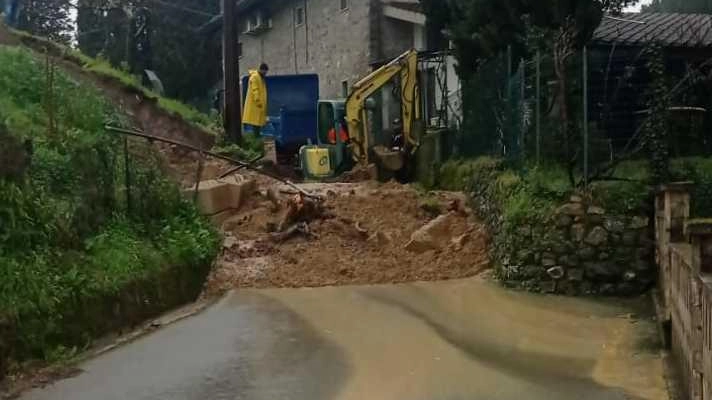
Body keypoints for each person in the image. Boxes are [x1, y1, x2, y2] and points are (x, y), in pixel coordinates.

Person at [242, 63, 269, 136]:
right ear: (262, 70)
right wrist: (258, 101)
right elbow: (255, 90)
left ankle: (256, 137)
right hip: (255, 105)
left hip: (258, 105)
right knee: (256, 123)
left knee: (257, 123)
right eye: (265, 72)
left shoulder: (259, 77)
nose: (266, 73)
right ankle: (256, 138)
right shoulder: (255, 77)